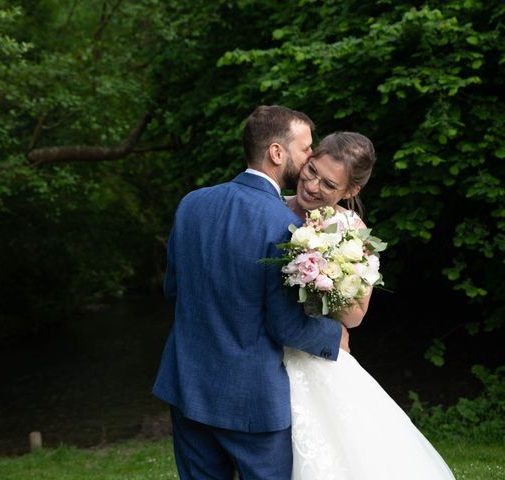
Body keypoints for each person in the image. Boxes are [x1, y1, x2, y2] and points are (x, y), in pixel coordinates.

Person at [152, 105, 347, 480]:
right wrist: (334, 335)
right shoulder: (287, 226)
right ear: (277, 152)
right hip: (251, 400)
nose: (311, 159)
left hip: (187, 386)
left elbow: (173, 289)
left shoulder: (191, 203)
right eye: (305, 149)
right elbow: (285, 326)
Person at [283, 131, 456, 479]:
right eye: (312, 170)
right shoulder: (271, 205)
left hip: (316, 354)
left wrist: (321, 276)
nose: (313, 185)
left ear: (350, 192)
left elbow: (356, 316)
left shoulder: (351, 232)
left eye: (329, 185)